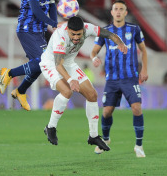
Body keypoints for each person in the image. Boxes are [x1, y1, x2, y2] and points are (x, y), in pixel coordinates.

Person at [40, 16, 127, 151]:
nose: (75, 37)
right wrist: (70, 80)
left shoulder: (88, 28)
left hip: (68, 63)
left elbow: (109, 34)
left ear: (83, 31)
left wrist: (120, 42)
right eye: (72, 34)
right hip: (51, 64)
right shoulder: (60, 37)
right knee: (67, 91)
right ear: (67, 30)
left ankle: (93, 136)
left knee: (92, 95)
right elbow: (58, 65)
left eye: (78, 34)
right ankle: (51, 127)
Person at [0, 0, 58, 111]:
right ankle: (9, 73)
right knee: (42, 61)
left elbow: (52, 6)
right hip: (27, 30)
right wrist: (52, 23)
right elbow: (36, 10)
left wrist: (55, 23)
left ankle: (20, 91)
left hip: (39, 31)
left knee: (41, 65)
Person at [90, 0, 148, 158]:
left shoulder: (134, 29)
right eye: (115, 9)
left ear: (125, 12)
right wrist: (94, 58)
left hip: (130, 78)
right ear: (111, 12)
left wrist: (144, 68)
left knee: (137, 108)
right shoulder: (105, 31)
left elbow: (143, 50)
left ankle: (139, 145)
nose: (118, 11)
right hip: (112, 80)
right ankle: (106, 140)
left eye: (121, 9)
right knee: (107, 112)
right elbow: (93, 51)